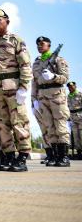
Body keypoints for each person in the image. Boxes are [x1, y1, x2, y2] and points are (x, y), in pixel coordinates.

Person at [0, 9, 32, 172]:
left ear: (7, 21)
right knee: (2, 125)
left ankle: (22, 156)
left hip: (13, 88)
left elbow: (25, 65)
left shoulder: (16, 40)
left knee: (19, 122)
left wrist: (23, 87)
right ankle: (8, 156)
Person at [32, 36, 70, 167]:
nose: (39, 46)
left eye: (42, 44)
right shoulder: (36, 62)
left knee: (60, 125)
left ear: (49, 45)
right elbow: (34, 82)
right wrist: (34, 100)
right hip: (42, 96)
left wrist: (54, 76)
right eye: (37, 44)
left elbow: (65, 78)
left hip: (56, 95)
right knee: (49, 127)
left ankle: (64, 157)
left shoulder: (58, 60)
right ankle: (55, 156)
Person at [67, 82, 82, 160]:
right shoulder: (68, 97)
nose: (70, 88)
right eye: (69, 87)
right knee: (75, 136)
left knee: (81, 134)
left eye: (72, 86)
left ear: (75, 86)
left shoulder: (80, 94)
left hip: (80, 116)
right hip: (72, 117)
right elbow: (67, 108)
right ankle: (79, 152)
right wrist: (68, 118)